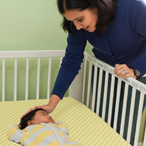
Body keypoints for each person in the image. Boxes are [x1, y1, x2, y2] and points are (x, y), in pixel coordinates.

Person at [22, 0, 146, 145]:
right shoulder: (78, 27)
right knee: (102, 121)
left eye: (80, 19)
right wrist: (51, 105)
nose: (77, 26)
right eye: (72, 21)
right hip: (103, 70)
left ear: (98, 5)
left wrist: (136, 70)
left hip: (136, 73)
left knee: (125, 127)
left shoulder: (132, 8)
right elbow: (71, 61)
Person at [7, 108, 84, 146]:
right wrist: (16, 125)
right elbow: (12, 133)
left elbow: (63, 127)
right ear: (30, 122)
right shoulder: (26, 132)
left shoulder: (56, 127)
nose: (49, 116)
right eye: (43, 114)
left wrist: (56, 121)